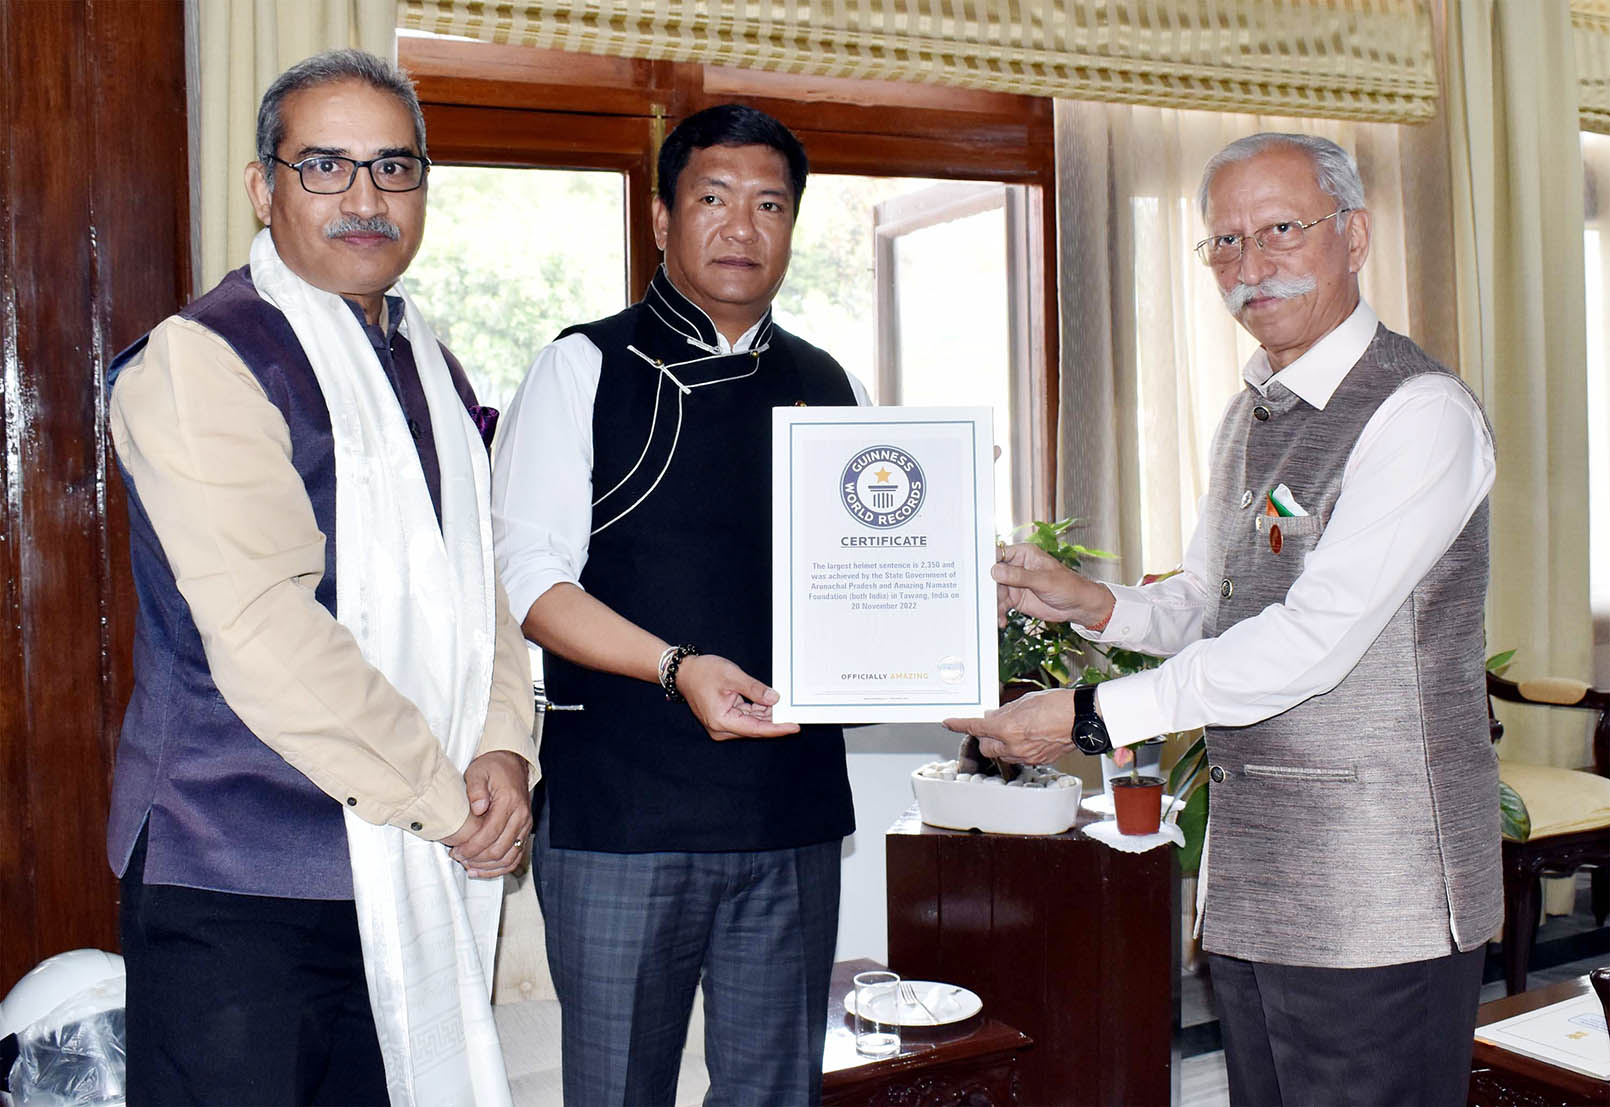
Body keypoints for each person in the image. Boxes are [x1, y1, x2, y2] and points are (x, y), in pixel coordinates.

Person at [945, 133, 1501, 1107]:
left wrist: (1086, 715)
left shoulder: (1418, 414)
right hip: (1255, 881)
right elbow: (1215, 600)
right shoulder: (1253, 416)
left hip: (1378, 892)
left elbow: (1310, 640)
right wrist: (1087, 601)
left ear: (1353, 235)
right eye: (1225, 244)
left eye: (1281, 230)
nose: (1251, 267)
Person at [105, 49, 537, 1107]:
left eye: (394, 169)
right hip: (239, 879)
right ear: (263, 186)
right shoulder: (201, 359)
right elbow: (264, 632)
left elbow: (479, 589)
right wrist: (448, 800)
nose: (363, 199)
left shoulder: (430, 365)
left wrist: (504, 750)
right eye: (325, 167)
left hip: (408, 870)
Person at [492, 103, 867, 1106]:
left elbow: (867, 577)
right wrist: (676, 667)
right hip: (624, 813)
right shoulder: (584, 367)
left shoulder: (828, 385)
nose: (740, 227)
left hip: (787, 815)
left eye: (768, 205)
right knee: (619, 1091)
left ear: (791, 225)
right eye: (712, 198)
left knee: (774, 1091)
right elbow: (530, 583)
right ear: (661, 218)